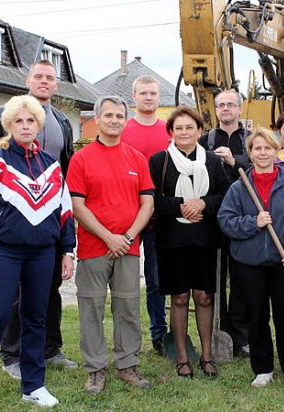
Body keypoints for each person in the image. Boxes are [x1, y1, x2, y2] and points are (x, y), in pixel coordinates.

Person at [0, 95, 76, 411]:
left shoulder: (51, 165)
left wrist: (68, 250)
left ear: (39, 126)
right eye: (19, 121)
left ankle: (34, 386)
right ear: (9, 125)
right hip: (4, 252)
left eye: (31, 121)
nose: (25, 126)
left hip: (43, 253)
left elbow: (64, 211)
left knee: (36, 318)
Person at [0, 59, 77, 379]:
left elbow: (65, 171)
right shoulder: (4, 114)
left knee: (49, 289)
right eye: (38, 77)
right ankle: (12, 354)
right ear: (28, 81)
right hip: (12, 221)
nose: (44, 81)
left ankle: (50, 348)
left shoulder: (62, 121)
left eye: (50, 78)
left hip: (48, 221)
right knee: (14, 293)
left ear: (56, 85)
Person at [66, 96, 154, 393]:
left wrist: (127, 237)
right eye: (108, 115)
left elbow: (147, 203)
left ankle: (127, 364)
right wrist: (108, 237)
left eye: (119, 116)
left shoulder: (136, 158)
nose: (114, 120)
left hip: (128, 248)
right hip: (94, 248)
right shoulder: (81, 159)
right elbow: (77, 206)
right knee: (91, 308)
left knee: (128, 306)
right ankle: (95, 369)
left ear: (125, 120)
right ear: (97, 119)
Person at [217, 127, 284, 389]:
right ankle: (263, 368)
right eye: (257, 148)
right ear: (250, 153)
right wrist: (254, 222)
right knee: (256, 317)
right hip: (249, 264)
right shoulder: (239, 187)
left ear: (276, 151)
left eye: (267, 148)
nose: (262, 153)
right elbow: (226, 221)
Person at [149, 106, 230, 379]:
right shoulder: (159, 161)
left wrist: (203, 204)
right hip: (172, 240)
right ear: (171, 132)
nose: (184, 132)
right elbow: (152, 199)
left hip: (205, 238)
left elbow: (224, 193)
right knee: (180, 297)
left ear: (199, 131)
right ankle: (182, 357)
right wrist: (181, 206)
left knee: (204, 297)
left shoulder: (212, 161)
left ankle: (207, 356)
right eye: (179, 128)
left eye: (190, 127)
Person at [197, 89, 251, 358]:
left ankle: (240, 338)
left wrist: (234, 160)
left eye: (231, 104)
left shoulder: (251, 139)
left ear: (240, 109)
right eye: (221, 105)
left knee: (241, 279)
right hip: (212, 217)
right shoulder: (205, 140)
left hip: (243, 217)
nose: (226, 109)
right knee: (214, 279)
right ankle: (217, 331)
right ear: (216, 110)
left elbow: (261, 168)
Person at [121, 75, 169, 357]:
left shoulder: (168, 131)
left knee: (156, 278)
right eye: (143, 93)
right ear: (134, 97)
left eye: (153, 93)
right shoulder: (124, 130)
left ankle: (159, 334)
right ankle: (128, 337)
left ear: (159, 96)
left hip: (159, 216)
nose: (148, 97)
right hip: (127, 214)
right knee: (125, 281)